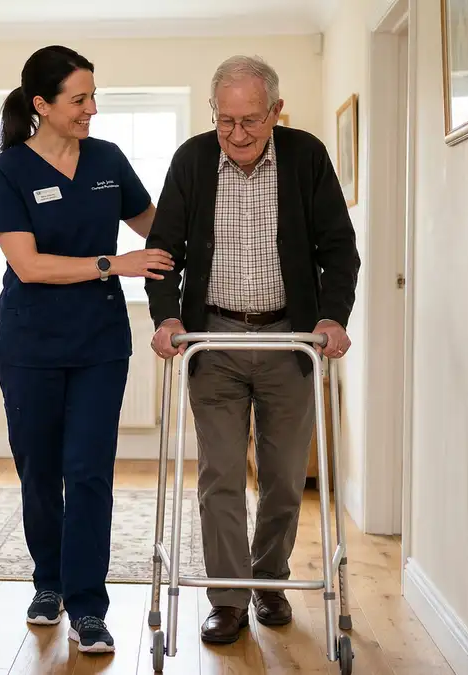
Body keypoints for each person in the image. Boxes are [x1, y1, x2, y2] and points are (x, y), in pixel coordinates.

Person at [145, 54, 360, 644]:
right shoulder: (192, 159)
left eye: (250, 121)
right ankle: (228, 597)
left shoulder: (305, 156)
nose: (237, 134)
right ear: (213, 113)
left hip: (290, 340)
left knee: (285, 476)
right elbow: (163, 252)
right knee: (219, 476)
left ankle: (268, 581)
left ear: (276, 112)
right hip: (211, 341)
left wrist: (332, 317)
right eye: (225, 121)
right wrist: (167, 317)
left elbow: (339, 249)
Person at [0, 44, 174, 654]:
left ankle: (89, 606)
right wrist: (113, 263)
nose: (92, 108)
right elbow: (29, 265)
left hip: (99, 344)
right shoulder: (7, 170)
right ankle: (49, 582)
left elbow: (158, 228)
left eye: (94, 96)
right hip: (29, 345)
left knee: (89, 473)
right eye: (79, 99)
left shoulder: (108, 160)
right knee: (39, 472)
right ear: (41, 104)